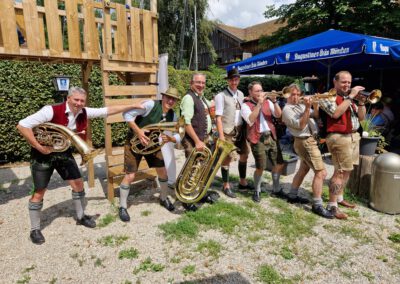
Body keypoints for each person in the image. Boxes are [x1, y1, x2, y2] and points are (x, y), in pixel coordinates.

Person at [17, 87, 144, 244]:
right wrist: (39, 147)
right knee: (39, 192)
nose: (79, 103)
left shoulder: (84, 111)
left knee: (78, 184)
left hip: (62, 152)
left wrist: (131, 106)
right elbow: (22, 125)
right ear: (68, 98)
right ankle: (35, 229)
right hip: (42, 155)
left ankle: (80, 216)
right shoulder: (49, 110)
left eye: (82, 100)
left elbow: (107, 110)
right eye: (76, 99)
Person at [119, 87, 181, 222]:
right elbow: (126, 115)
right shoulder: (151, 105)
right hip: (134, 142)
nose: (170, 101)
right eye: (168, 97)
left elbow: (178, 134)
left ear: (176, 101)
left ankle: (163, 198)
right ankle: (122, 206)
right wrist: (139, 131)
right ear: (163, 97)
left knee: (163, 172)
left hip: (152, 144)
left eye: (173, 99)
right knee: (130, 175)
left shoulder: (173, 115)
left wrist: (171, 139)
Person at [319, 71, 366, 219]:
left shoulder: (349, 98)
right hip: (338, 137)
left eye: (349, 83)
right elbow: (335, 114)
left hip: (352, 136)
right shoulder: (326, 96)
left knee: (347, 170)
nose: (347, 85)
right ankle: (332, 205)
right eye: (344, 82)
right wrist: (351, 96)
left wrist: (361, 102)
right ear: (335, 82)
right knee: (339, 171)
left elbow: (362, 117)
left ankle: (339, 198)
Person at [282, 84, 334, 218]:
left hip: (309, 140)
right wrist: (307, 107)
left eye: (297, 94)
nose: (296, 97)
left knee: (303, 169)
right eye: (292, 94)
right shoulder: (287, 110)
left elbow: (315, 115)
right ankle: (317, 205)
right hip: (304, 141)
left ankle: (292, 195)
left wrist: (315, 105)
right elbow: (301, 125)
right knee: (321, 173)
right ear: (287, 95)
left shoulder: (300, 105)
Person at [241, 81, 285, 203]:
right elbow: (250, 120)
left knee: (279, 163)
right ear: (250, 92)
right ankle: (257, 190)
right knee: (261, 167)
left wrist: (275, 101)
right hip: (257, 138)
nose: (261, 93)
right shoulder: (245, 105)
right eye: (257, 91)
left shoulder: (268, 102)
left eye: (261, 90)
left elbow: (278, 115)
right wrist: (259, 104)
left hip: (271, 136)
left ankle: (276, 189)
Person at [214, 69, 253, 198]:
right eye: (231, 79)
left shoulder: (241, 94)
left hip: (240, 129)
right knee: (227, 158)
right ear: (228, 81)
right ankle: (226, 185)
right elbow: (218, 117)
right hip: (227, 131)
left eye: (236, 79)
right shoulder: (221, 96)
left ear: (239, 80)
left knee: (245, 154)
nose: (234, 82)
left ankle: (242, 181)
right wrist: (221, 136)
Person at [180, 73, 213, 211]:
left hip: (203, 138)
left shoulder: (202, 98)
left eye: (203, 83)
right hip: (194, 140)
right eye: (198, 82)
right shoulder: (188, 98)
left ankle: (199, 194)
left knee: (202, 169)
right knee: (192, 170)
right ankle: (185, 199)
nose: (201, 85)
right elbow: (186, 123)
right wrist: (197, 141)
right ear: (191, 83)